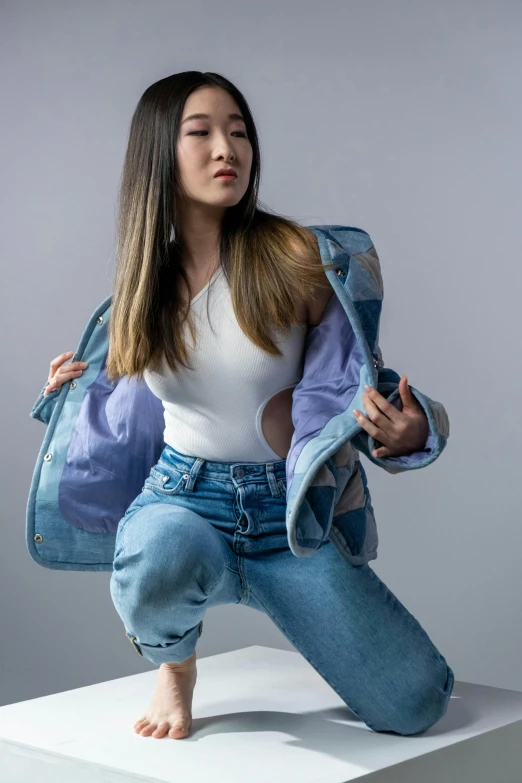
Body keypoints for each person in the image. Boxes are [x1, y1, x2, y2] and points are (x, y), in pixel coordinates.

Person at [41, 71, 454, 741]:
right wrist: (71, 389)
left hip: (290, 517)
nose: (225, 147)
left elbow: (363, 380)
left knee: (416, 703)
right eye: (200, 132)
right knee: (155, 558)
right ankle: (175, 666)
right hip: (184, 500)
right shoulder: (142, 289)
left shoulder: (296, 259)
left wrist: (413, 433)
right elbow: (121, 403)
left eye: (238, 131)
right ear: (158, 154)